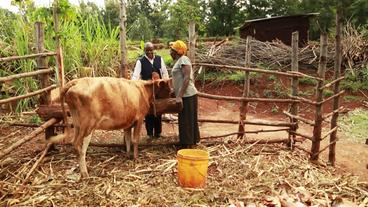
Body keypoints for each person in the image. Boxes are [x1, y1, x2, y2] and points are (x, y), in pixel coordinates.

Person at [131, 42, 169, 139]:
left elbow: (164, 73)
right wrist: (133, 85)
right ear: (144, 51)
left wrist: (166, 84)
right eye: (147, 51)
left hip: (158, 90)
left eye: (151, 50)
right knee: (148, 111)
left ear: (154, 50)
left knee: (159, 110)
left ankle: (158, 133)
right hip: (147, 92)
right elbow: (135, 75)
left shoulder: (159, 59)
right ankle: (149, 134)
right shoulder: (140, 61)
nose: (149, 53)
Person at [169, 40, 200, 148]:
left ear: (177, 52)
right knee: (184, 119)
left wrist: (179, 96)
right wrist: (175, 90)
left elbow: (187, 78)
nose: (170, 52)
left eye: (171, 50)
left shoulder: (184, 59)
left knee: (187, 120)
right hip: (184, 95)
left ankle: (188, 144)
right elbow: (180, 79)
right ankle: (186, 142)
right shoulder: (179, 61)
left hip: (188, 95)